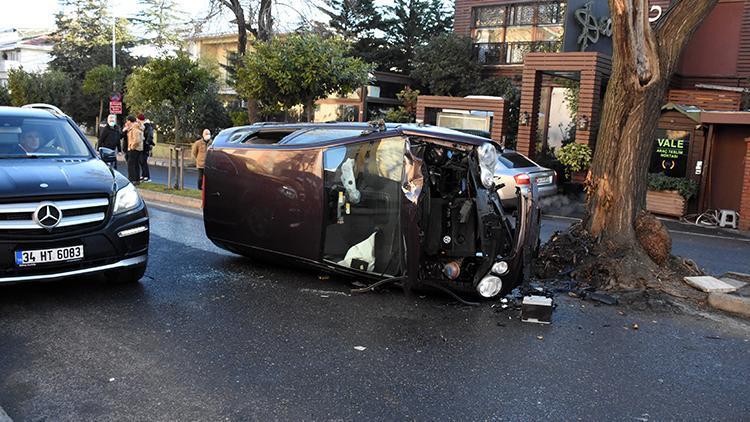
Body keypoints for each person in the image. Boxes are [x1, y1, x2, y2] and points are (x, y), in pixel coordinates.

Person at [123, 115, 145, 184]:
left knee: (131, 164)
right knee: (136, 164)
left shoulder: (134, 128)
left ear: (129, 121)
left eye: (127, 121)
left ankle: (132, 179)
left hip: (134, 149)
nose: (126, 122)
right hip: (138, 149)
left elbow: (136, 140)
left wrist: (132, 147)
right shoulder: (136, 127)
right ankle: (137, 179)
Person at [138, 114, 155, 181]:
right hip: (142, 146)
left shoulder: (147, 126)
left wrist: (147, 142)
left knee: (143, 161)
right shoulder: (143, 126)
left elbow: (150, 136)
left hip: (145, 146)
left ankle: (147, 176)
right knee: (141, 161)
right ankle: (143, 175)